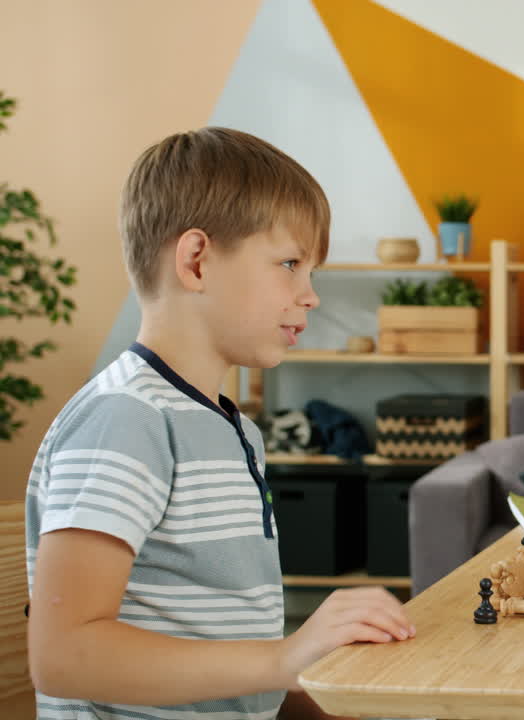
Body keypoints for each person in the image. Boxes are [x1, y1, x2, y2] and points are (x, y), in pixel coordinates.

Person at [25, 127, 413, 719]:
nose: (310, 296)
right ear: (197, 261)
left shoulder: (233, 428)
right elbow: (64, 654)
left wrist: (319, 691)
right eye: (289, 264)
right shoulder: (126, 419)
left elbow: (230, 671)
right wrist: (284, 657)